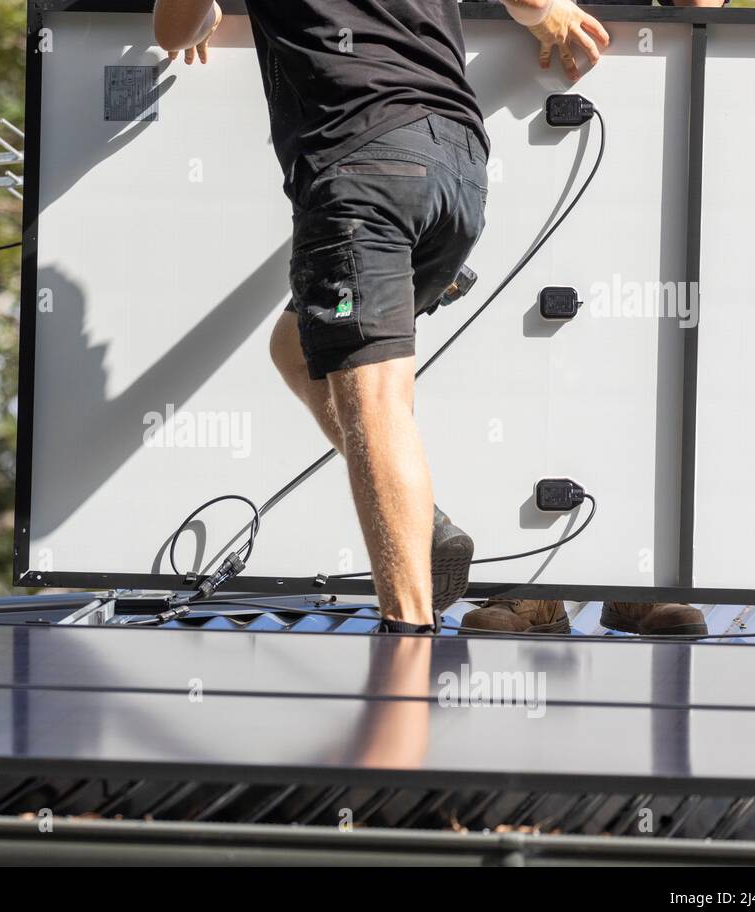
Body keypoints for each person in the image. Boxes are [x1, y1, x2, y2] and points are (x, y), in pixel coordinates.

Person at [154, 0, 609, 633]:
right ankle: (427, 519)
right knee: (294, 346)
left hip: (361, 166)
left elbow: (173, 29)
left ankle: (409, 634)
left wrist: (200, 17)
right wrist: (545, 12)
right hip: (457, 168)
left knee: (374, 405)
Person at [459, 0, 719, 638]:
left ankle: (634, 578)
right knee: (509, 348)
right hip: (501, 80)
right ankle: (527, 588)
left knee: (627, 356)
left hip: (636, 96)